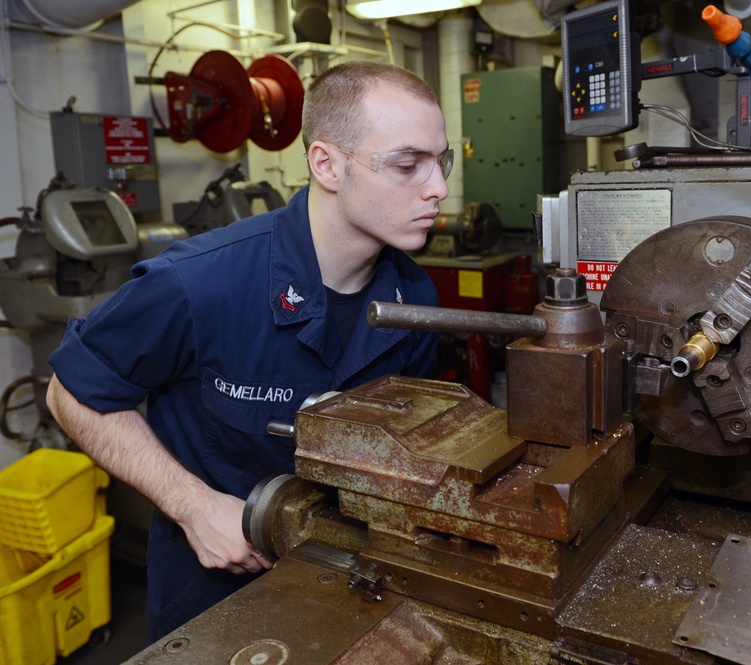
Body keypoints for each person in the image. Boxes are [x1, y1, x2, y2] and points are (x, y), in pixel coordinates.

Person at [45, 60, 450, 642]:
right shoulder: (196, 284)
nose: (437, 187)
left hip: (353, 579)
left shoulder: (413, 296)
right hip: (215, 589)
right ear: (326, 164)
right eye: (409, 164)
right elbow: (72, 394)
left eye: (441, 162)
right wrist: (193, 507)